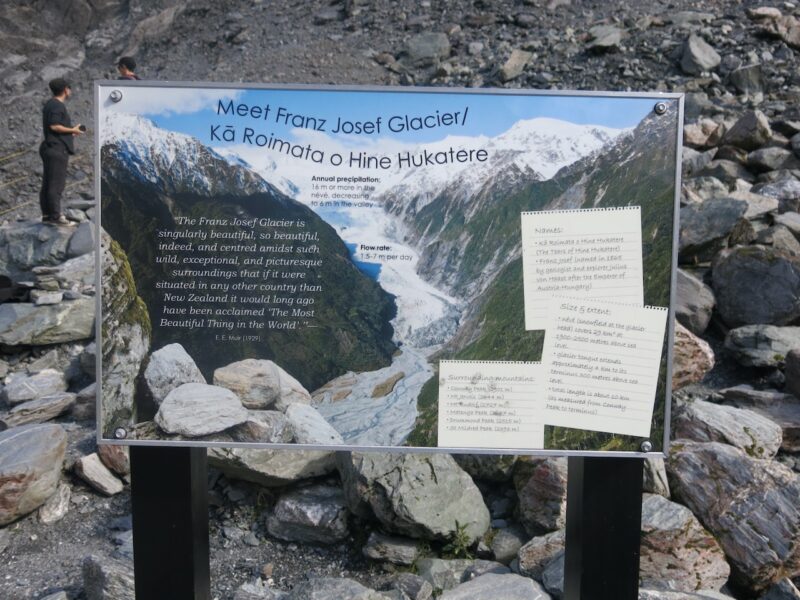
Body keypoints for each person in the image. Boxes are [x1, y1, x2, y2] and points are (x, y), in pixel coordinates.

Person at [39, 78, 82, 226]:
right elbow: (55, 126)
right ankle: (56, 217)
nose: (70, 91)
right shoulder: (58, 106)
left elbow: (55, 128)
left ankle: (47, 215)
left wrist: (70, 133)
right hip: (57, 148)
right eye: (69, 88)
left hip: (50, 147)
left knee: (48, 182)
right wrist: (72, 130)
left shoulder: (50, 105)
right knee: (56, 184)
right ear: (65, 89)